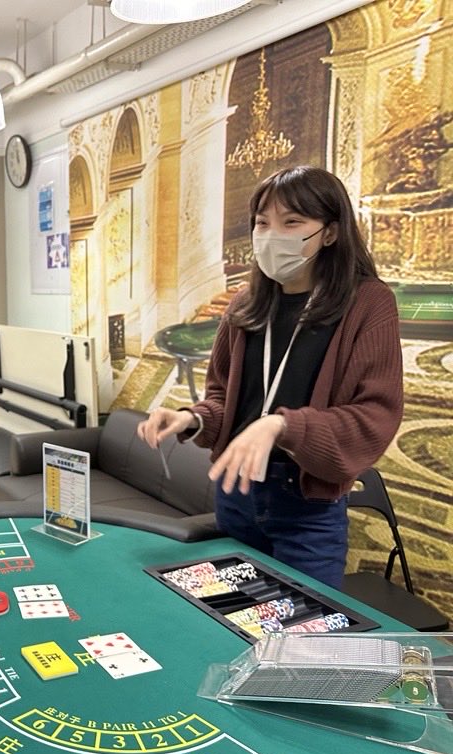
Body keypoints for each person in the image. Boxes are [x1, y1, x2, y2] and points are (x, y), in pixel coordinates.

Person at [137, 166, 403, 588]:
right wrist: (193, 418)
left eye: (292, 222)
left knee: (302, 640)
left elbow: (375, 414)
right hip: (236, 496)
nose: (271, 234)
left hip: (307, 506)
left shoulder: (368, 302)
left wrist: (282, 426)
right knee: (234, 621)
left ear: (330, 233)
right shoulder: (246, 303)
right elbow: (228, 398)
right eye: (263, 223)